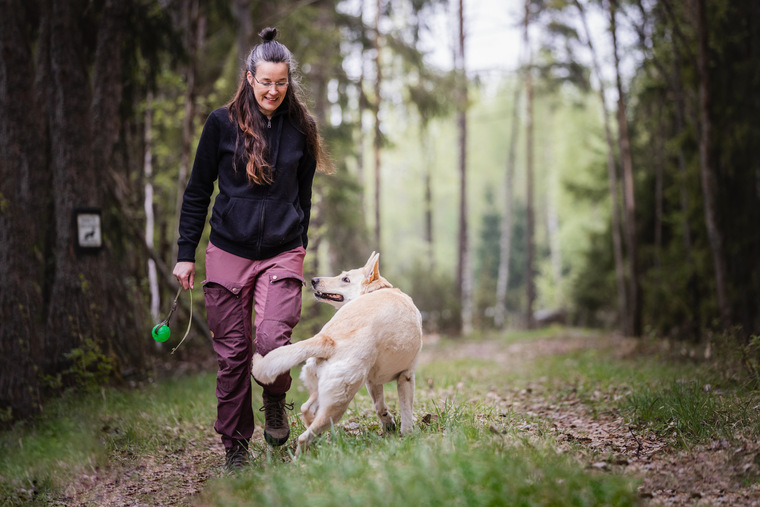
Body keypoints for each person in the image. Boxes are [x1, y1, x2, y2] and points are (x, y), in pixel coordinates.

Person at [172, 27, 331, 471]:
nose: (273, 91)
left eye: (281, 83)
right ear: (249, 78)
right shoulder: (220, 124)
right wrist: (186, 252)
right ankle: (236, 449)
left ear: (289, 82)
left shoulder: (302, 128)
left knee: (272, 339)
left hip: (281, 251)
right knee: (234, 355)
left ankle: (275, 400)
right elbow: (197, 192)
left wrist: (297, 245)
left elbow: (304, 197)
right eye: (265, 82)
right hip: (227, 250)